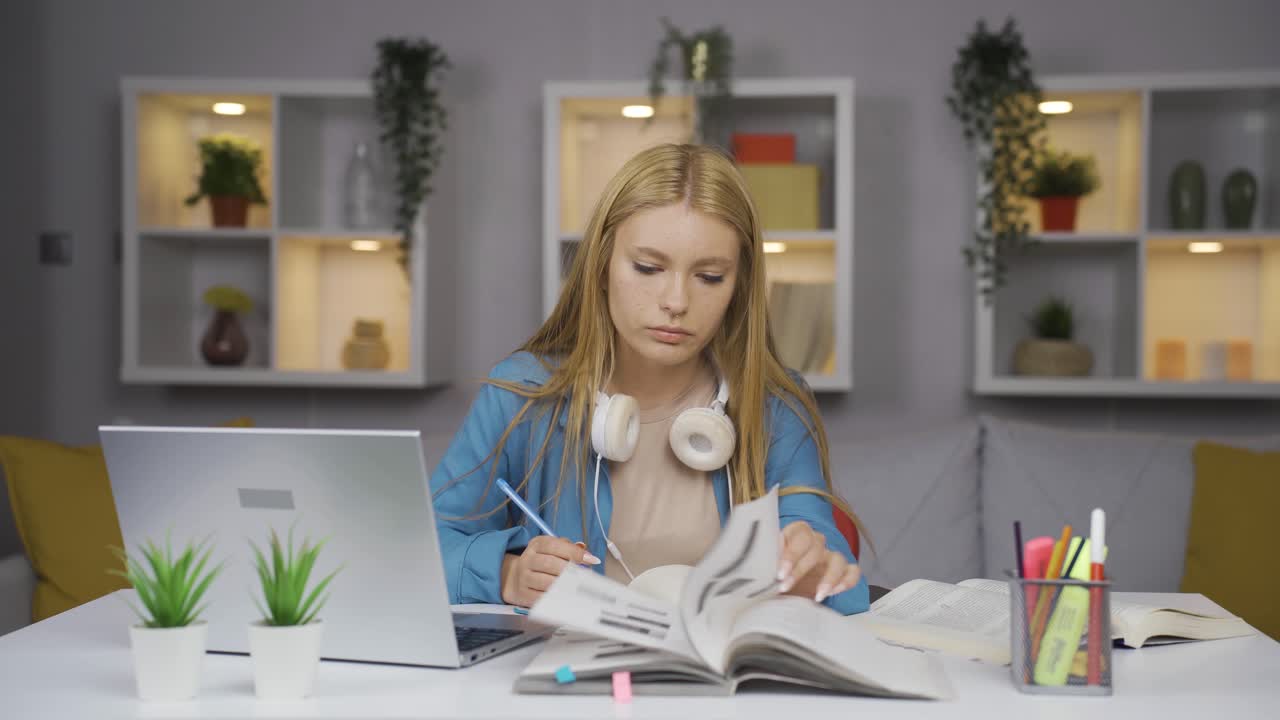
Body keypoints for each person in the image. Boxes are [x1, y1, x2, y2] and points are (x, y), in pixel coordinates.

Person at [429, 143, 869, 615]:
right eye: (648, 268)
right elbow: (423, 545)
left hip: (724, 683)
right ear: (600, 266)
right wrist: (506, 574)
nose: (676, 300)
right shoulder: (524, 393)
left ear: (738, 287)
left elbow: (842, 585)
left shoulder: (776, 405)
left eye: (710, 276)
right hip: (573, 678)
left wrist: (811, 576)